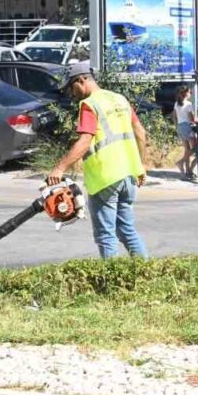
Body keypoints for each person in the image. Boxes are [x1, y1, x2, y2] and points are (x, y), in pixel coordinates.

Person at [47, 63, 149, 259]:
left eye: (71, 87)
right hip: (129, 175)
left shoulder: (89, 105)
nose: (71, 93)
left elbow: (85, 140)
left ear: (82, 80)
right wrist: (141, 166)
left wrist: (59, 169)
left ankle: (112, 285)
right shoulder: (120, 99)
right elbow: (141, 133)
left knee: (106, 235)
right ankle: (147, 274)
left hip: (106, 178)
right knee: (127, 231)